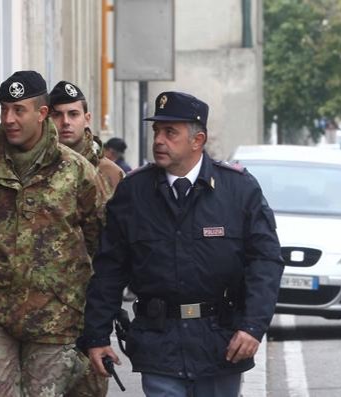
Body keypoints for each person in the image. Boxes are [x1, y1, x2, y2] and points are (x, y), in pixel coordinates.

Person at [77, 91, 284, 397]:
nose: (159, 140)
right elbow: (110, 268)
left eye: (170, 132)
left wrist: (253, 327)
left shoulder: (238, 190)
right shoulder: (134, 192)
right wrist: (96, 335)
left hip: (221, 344)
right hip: (159, 343)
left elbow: (265, 262)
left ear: (197, 140)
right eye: (156, 132)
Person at [0, 70, 109, 396]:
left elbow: (100, 234)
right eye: (4, 109)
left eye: (19, 110)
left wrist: (68, 280)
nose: (9, 119)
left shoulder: (75, 170)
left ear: (41, 113)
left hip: (55, 315)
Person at [49, 80, 125, 191]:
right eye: (57, 115)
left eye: (73, 114)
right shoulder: (34, 168)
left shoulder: (111, 174)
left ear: (87, 119)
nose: (65, 121)